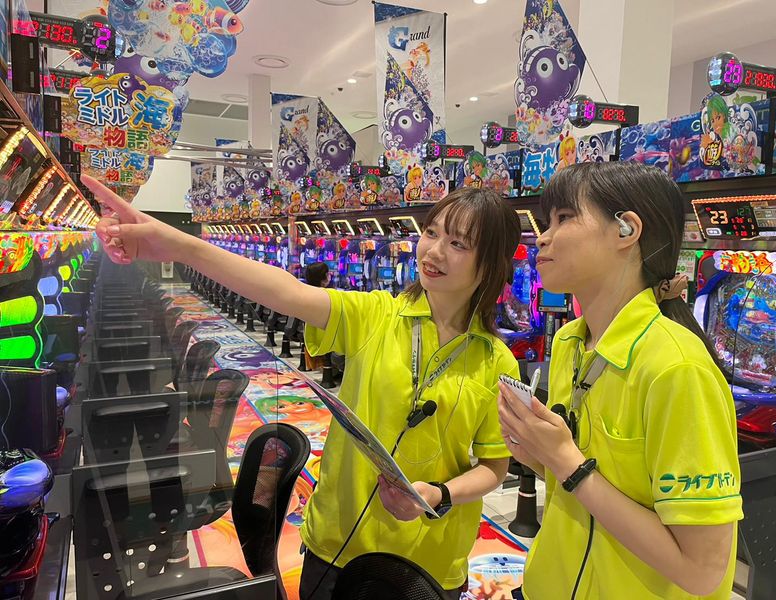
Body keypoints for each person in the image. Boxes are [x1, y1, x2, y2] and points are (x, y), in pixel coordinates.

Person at [87, 176, 522, 600]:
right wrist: (178, 245)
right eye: (431, 232)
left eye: (458, 243)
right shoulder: (377, 315)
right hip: (340, 541)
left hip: (429, 561)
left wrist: (440, 494)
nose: (434, 251)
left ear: (491, 264)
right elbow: (284, 291)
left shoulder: (496, 360)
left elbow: (494, 467)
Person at [498, 161, 742, 599]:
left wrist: (568, 465)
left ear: (626, 229)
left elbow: (702, 571)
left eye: (564, 218)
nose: (543, 236)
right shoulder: (571, 342)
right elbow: (588, 485)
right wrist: (538, 454)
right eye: (546, 221)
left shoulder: (677, 368)